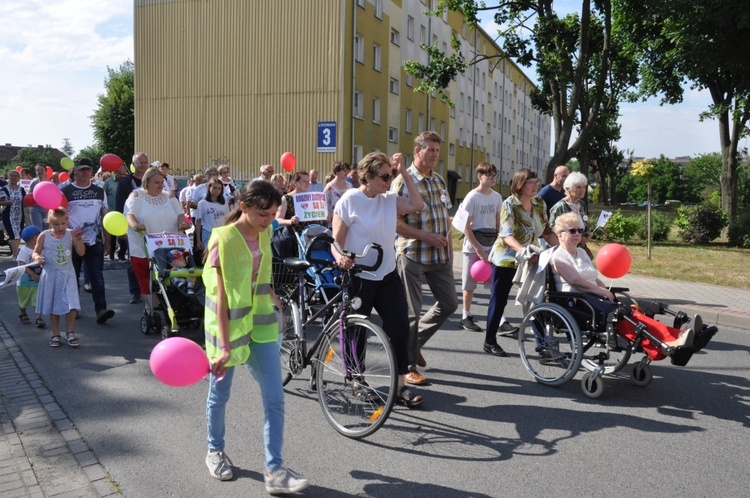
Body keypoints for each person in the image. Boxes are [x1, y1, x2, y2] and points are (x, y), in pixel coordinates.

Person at [203, 180, 309, 494]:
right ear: (244, 206)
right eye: (263, 214)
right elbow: (220, 296)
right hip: (227, 329)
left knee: (275, 399)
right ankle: (214, 450)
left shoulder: (265, 233)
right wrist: (223, 346)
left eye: (273, 214)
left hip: (261, 325)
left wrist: (277, 303)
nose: (268, 220)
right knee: (220, 395)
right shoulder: (222, 238)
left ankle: (274, 471)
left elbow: (262, 278)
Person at [550, 212, 715, 357]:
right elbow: (576, 282)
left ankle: (679, 335)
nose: (577, 234)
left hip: (594, 298)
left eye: (579, 230)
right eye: (572, 231)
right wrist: (601, 292)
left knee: (636, 312)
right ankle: (670, 342)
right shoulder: (558, 257)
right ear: (559, 234)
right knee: (624, 316)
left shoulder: (582, 253)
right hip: (578, 302)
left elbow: (593, 278)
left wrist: (605, 289)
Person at [332, 152, 425, 407]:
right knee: (358, 331)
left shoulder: (389, 199)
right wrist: (340, 258)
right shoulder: (350, 200)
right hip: (359, 275)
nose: (389, 180)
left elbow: (418, 205)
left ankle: (400, 385)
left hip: (386, 273)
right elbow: (336, 242)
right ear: (368, 176)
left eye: (391, 175)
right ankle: (356, 380)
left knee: (399, 327)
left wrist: (404, 172)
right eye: (385, 176)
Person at [391, 131, 458, 385]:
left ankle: (414, 342)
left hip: (439, 255)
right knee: (411, 312)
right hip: (413, 255)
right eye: (430, 149)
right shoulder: (403, 182)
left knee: (450, 303)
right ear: (417, 151)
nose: (435, 155)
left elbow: (445, 219)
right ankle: (407, 367)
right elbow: (396, 224)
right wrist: (425, 236)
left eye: (437, 151)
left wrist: (450, 250)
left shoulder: (439, 180)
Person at [486, 168, 558, 357]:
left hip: (531, 258)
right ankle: (490, 341)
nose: (536, 186)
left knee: (534, 300)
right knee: (499, 301)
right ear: (520, 184)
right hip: (506, 259)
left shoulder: (539, 203)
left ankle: (542, 346)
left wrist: (564, 250)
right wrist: (524, 252)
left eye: (537, 181)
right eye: (531, 182)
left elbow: (547, 232)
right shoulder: (509, 204)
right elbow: (507, 235)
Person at [459, 162, 518, 336]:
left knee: (495, 284)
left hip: (492, 244)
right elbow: (466, 227)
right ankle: (466, 316)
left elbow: (499, 223)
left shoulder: (497, 197)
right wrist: (478, 250)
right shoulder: (471, 197)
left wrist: (501, 245)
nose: (493, 178)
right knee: (469, 284)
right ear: (480, 176)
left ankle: (501, 320)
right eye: (489, 175)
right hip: (473, 245)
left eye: (495, 175)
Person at [125, 167, 189, 315]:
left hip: (170, 245)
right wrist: (135, 225)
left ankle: (178, 306)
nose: (160, 185)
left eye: (162, 182)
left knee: (175, 276)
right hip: (146, 247)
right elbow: (130, 215)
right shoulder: (137, 195)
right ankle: (150, 308)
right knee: (149, 280)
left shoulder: (169, 195)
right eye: (156, 183)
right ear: (147, 182)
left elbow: (180, 214)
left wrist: (182, 223)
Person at [61, 158, 115, 324]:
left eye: (88, 169)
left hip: (94, 241)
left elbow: (106, 217)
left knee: (96, 276)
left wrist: (108, 240)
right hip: (72, 241)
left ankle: (101, 310)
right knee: (72, 276)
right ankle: (73, 308)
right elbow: (57, 216)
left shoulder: (99, 190)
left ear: (92, 171)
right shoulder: (66, 190)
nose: (85, 172)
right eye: (81, 169)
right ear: (75, 171)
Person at [32, 209, 85, 348]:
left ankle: (70, 332)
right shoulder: (44, 235)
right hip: (51, 275)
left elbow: (81, 252)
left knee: (72, 304)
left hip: (68, 274)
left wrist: (79, 240)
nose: (60, 227)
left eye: (63, 223)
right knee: (53, 305)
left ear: (67, 221)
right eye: (56, 224)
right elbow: (35, 252)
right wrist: (37, 257)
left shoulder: (71, 234)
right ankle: (56, 334)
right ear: (49, 223)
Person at [117, 152, 152, 303]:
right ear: (134, 164)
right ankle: (135, 292)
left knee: (152, 261)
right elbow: (120, 206)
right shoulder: (126, 182)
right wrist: (121, 230)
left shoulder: (153, 180)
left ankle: (151, 289)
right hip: (132, 228)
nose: (143, 165)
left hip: (151, 227)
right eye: (140, 162)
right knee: (134, 261)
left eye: (145, 162)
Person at [548, 171, 594, 259]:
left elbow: (583, 224)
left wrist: (586, 234)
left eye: (584, 187)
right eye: (578, 187)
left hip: (579, 251)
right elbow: (552, 232)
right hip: (564, 253)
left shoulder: (582, 204)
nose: (582, 190)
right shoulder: (559, 207)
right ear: (568, 189)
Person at [17, 226, 44, 328]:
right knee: (23, 300)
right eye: (39, 235)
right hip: (24, 282)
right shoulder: (24, 250)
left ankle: (38, 318)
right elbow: (21, 265)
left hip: (37, 281)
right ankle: (23, 313)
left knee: (37, 300)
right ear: (34, 238)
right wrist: (33, 275)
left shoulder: (40, 250)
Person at [196, 178, 231, 251]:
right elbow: (198, 222)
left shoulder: (224, 203)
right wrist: (198, 240)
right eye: (214, 188)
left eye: (219, 188)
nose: (217, 190)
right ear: (209, 188)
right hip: (207, 232)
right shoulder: (202, 203)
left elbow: (227, 220)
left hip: (221, 233)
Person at [0, 169, 27, 259]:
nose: (13, 177)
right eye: (11, 175)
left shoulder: (22, 189)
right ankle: (15, 254)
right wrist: (6, 202)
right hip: (8, 214)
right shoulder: (4, 189)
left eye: (15, 176)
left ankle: (16, 253)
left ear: (19, 178)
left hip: (19, 214)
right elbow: (1, 201)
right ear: (8, 177)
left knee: (18, 233)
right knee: (12, 233)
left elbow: (25, 201)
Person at [104, 165, 128, 262]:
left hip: (124, 213)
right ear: (115, 173)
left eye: (124, 174)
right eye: (120, 174)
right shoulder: (108, 182)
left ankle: (122, 255)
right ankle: (112, 255)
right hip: (112, 213)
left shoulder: (127, 182)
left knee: (123, 235)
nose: (122, 176)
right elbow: (103, 196)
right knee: (112, 235)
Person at [323, 161, 352, 225]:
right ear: (336, 172)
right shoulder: (329, 187)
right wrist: (327, 214)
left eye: (347, 170)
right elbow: (323, 203)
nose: (346, 172)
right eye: (343, 170)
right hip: (333, 221)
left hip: (348, 221)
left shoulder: (349, 186)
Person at [29, 164, 49, 230]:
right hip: (35, 208)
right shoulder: (33, 183)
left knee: (47, 229)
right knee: (38, 229)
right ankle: (38, 240)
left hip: (47, 209)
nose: (40, 172)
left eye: (42, 170)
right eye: (38, 170)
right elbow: (29, 195)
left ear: (46, 172)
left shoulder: (50, 183)